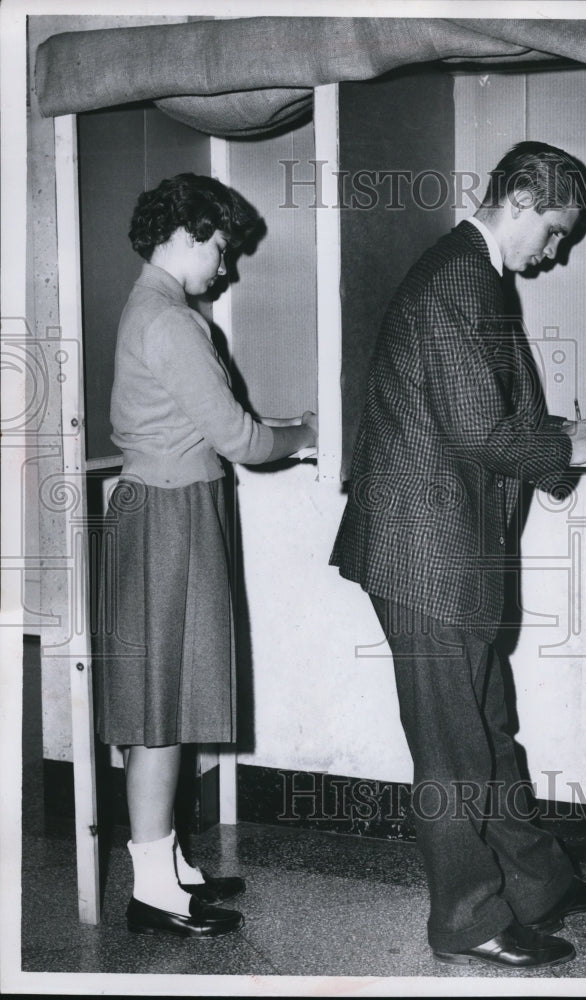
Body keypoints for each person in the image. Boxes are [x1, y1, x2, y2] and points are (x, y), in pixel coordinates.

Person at [330, 142, 586, 970]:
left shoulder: (473, 272)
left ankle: (535, 885)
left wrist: (565, 448)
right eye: (557, 233)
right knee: (455, 746)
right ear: (523, 198)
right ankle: (465, 921)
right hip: (426, 552)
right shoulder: (461, 274)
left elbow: (485, 415)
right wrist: (569, 442)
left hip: (445, 543)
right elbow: (477, 430)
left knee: (488, 728)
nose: (556, 252)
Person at [97, 173, 317, 938]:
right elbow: (243, 443)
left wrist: (283, 424)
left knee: (173, 700)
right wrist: (305, 435)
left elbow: (215, 424)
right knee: (159, 710)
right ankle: (152, 888)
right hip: (168, 516)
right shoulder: (172, 322)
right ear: (188, 232)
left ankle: (171, 869)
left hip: (167, 509)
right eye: (221, 249)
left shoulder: (156, 308)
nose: (226, 269)